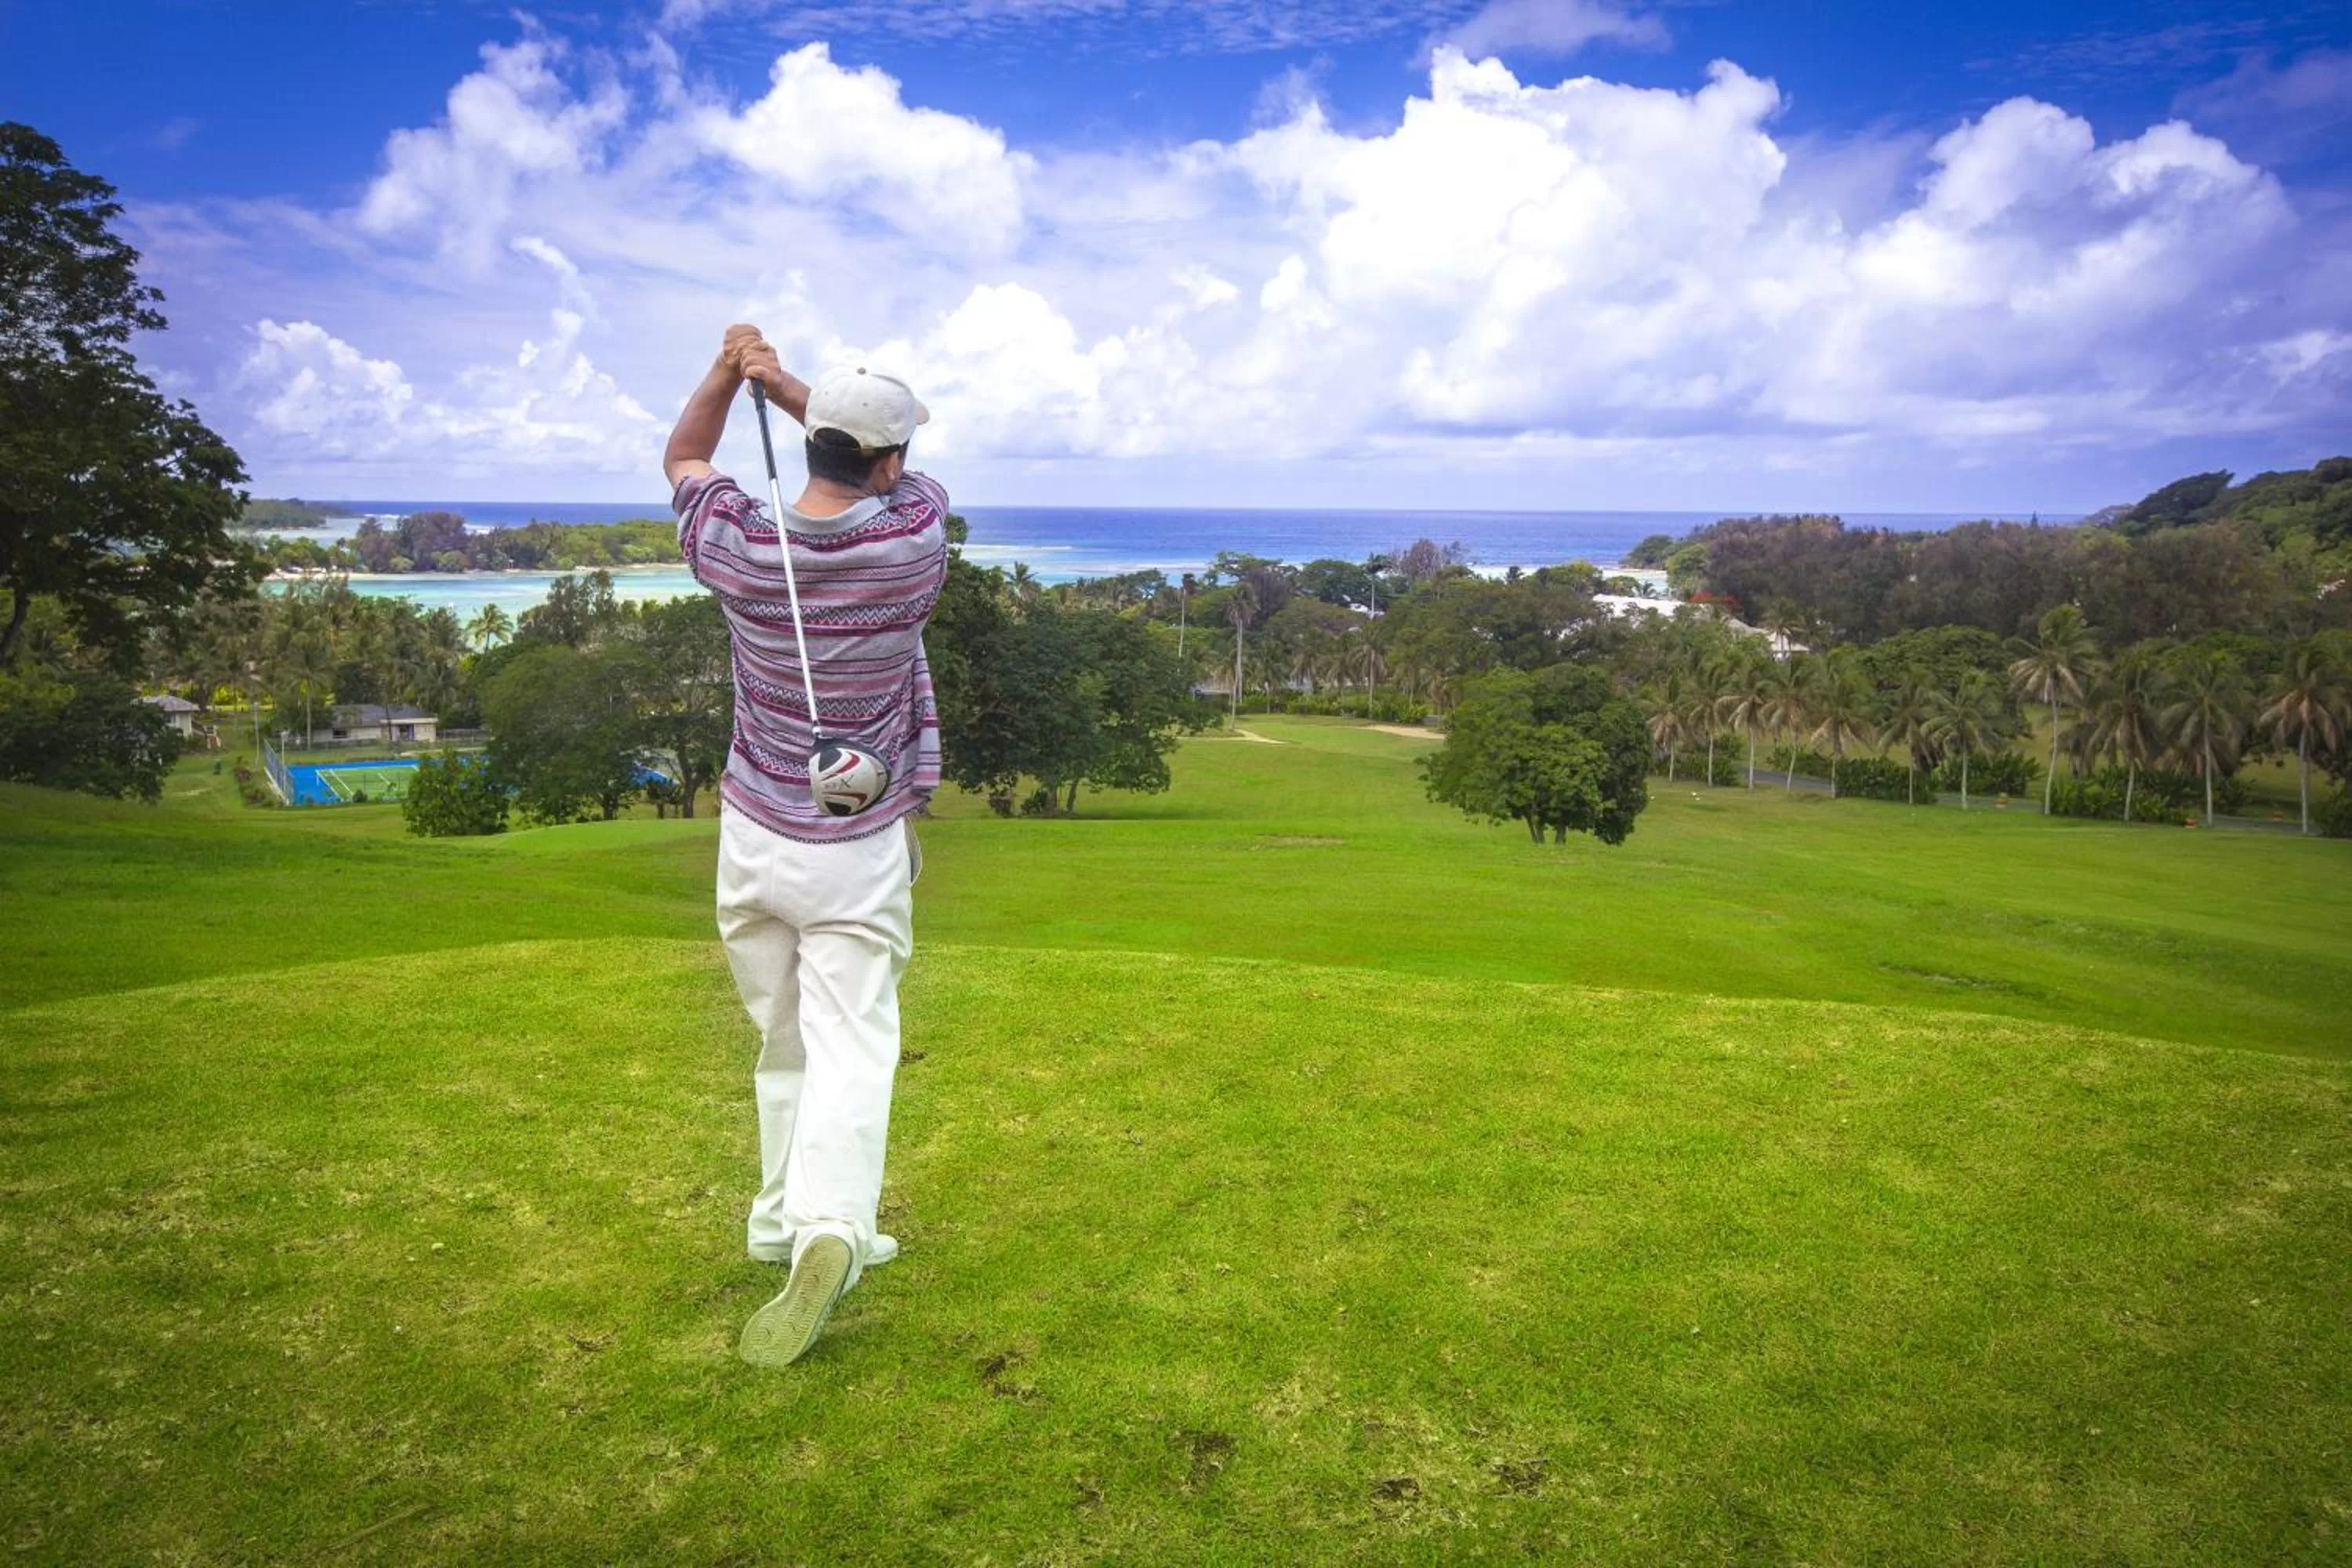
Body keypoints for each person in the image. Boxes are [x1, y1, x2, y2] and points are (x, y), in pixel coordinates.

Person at [663, 323, 949, 1367]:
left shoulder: (737, 544)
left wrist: (725, 370)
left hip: (752, 831)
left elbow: (685, 461)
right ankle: (831, 1225)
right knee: (853, 1038)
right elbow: (902, 475)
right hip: (855, 841)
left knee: (782, 1034)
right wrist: (786, 385)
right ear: (888, 459)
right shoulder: (914, 538)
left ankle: (779, 1222)